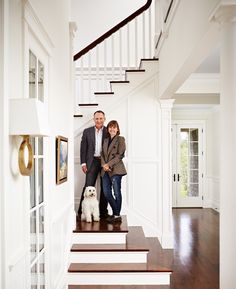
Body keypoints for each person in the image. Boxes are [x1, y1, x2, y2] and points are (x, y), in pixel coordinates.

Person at [78, 110, 108, 219]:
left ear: (104, 119)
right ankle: (82, 213)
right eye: (97, 118)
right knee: (88, 186)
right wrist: (83, 163)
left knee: (105, 187)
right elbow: (83, 148)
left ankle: (103, 213)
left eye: (101, 118)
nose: (99, 120)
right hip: (92, 162)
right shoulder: (87, 131)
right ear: (93, 119)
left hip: (105, 162)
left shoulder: (108, 131)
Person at [101, 120, 127, 223]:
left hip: (116, 169)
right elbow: (102, 154)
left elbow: (120, 155)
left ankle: (116, 215)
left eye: (114, 127)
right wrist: (104, 165)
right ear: (108, 129)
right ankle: (117, 214)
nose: (112, 129)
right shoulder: (106, 140)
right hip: (105, 170)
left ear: (117, 129)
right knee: (106, 192)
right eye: (110, 127)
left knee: (116, 192)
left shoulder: (121, 139)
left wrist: (108, 164)